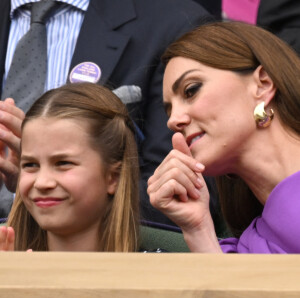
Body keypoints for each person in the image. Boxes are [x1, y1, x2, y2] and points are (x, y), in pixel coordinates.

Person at [0, 0, 216, 228]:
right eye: (30, 165)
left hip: (112, 254)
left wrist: (37, 190)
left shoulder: (173, 22)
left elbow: (186, 191)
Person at [147, 21, 300, 253]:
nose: (173, 121)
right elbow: (230, 289)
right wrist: (198, 228)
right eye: (168, 110)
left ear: (263, 84)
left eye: (191, 90)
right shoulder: (247, 247)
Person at [0, 82, 140, 251]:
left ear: (113, 177)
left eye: (63, 163)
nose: (42, 182)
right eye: (30, 165)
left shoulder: (159, 272)